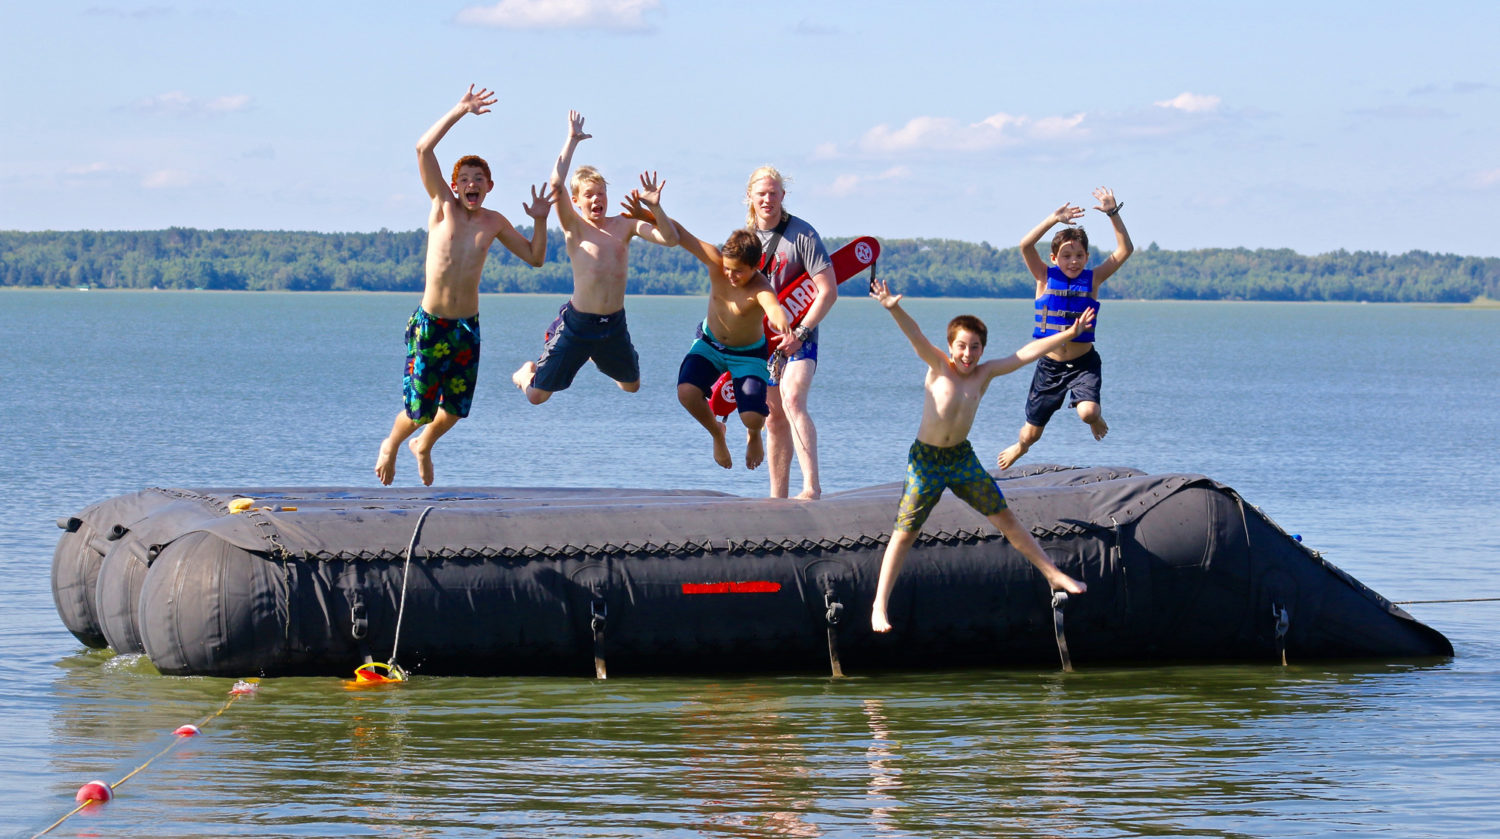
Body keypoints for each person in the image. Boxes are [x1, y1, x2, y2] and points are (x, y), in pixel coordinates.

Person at [867, 277, 1089, 633]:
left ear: (982, 350)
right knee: (905, 532)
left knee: (1005, 517)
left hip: (961, 459)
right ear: (950, 346)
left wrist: (1068, 334)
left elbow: (1026, 353)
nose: (967, 354)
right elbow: (916, 335)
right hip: (926, 461)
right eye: (961, 346)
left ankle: (1053, 574)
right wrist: (894, 308)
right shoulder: (938, 366)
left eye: (974, 348)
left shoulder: (984, 374)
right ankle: (879, 606)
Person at [374, 85, 553, 486]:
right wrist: (461, 110)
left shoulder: (494, 222)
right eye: (464, 179)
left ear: (489, 185)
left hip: (466, 327)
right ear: (454, 187)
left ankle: (423, 446)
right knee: (420, 409)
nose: (471, 184)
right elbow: (423, 149)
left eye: (479, 179)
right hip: (432, 323)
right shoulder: (443, 208)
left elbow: (535, 257)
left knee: (454, 408)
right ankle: (392, 443)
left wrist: (540, 219)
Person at [511, 111, 678, 403]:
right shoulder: (574, 227)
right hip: (578, 325)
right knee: (537, 396)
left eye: (601, 193)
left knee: (632, 386)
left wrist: (656, 209)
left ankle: (596, 357)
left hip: (613, 324)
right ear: (575, 201)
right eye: (589, 195)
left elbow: (670, 239)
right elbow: (555, 183)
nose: (596, 200)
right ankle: (524, 373)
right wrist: (572, 140)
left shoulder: (625, 225)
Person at [996, 187, 1134, 470]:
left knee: (1088, 412)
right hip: (1050, 366)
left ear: (1087, 257)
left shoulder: (1093, 279)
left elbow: (1124, 251)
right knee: (1031, 434)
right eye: (1067, 255)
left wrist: (1112, 213)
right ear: (1054, 257)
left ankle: (1096, 418)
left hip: (1084, 363)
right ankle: (1020, 447)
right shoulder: (1044, 277)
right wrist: (1052, 220)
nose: (1073, 261)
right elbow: (1025, 245)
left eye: (1079, 255)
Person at [662, 219, 792, 471]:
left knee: (752, 417)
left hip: (748, 355)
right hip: (710, 344)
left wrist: (782, 322)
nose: (730, 275)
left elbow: (773, 307)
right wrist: (653, 210)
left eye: (739, 271)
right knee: (686, 393)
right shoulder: (715, 261)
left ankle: (753, 435)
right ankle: (717, 433)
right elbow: (680, 232)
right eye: (728, 268)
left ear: (756, 266)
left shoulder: (761, 287)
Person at [745, 166, 836, 500]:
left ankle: (811, 487)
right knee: (772, 419)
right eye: (761, 194)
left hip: (801, 336)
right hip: (763, 342)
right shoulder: (746, 240)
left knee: (793, 398)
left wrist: (800, 331)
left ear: (783, 196)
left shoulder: (802, 235)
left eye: (774, 193)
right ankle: (777, 498)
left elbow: (828, 291)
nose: (768, 199)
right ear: (750, 198)